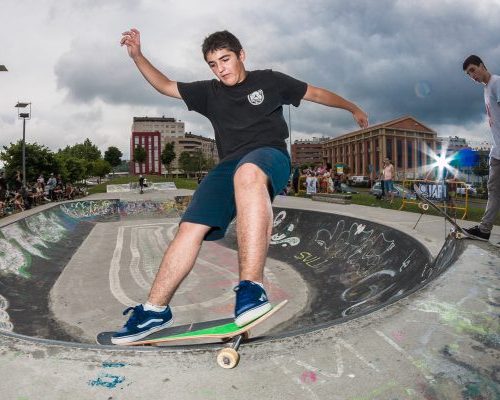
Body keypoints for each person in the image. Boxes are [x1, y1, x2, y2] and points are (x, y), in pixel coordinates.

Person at [111, 28, 368, 345]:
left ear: (241, 55)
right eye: (213, 64)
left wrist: (352, 107)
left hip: (269, 155)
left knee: (247, 173)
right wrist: (137, 55)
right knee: (190, 227)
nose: (221, 69)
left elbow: (315, 93)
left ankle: (251, 289)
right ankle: (154, 310)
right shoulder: (209, 92)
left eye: (225, 59)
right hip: (228, 164)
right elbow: (165, 85)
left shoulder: (270, 82)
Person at [462, 55, 500, 240]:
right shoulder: (486, 89)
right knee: (493, 189)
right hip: (498, 151)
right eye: (469, 74)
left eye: (473, 70)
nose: (472, 76)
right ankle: (484, 230)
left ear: (482, 66)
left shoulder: (497, 83)